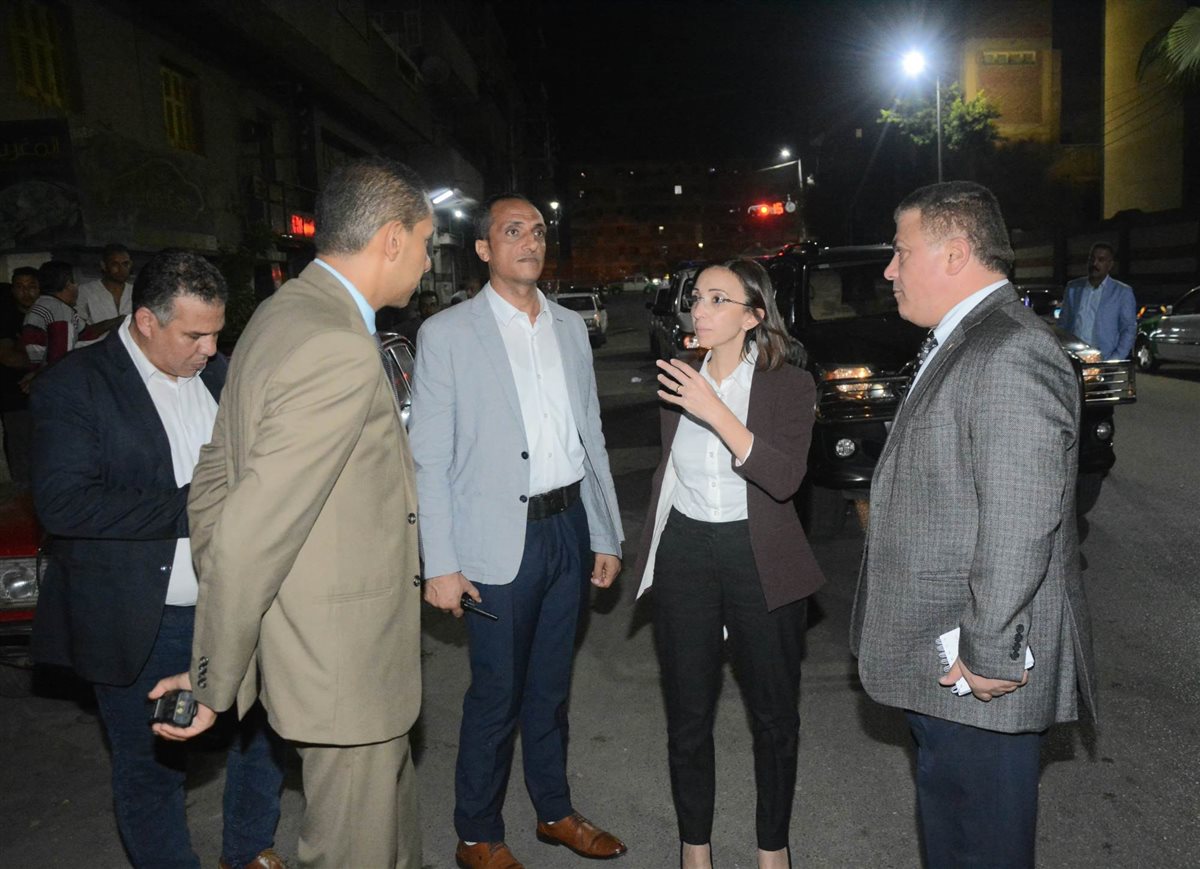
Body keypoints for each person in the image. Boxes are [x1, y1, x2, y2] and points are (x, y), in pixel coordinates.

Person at [150, 157, 432, 869]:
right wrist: (214, 677)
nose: (428, 263)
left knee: (391, 843)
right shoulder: (335, 344)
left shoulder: (281, 314)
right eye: (427, 244)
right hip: (346, 671)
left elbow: (214, 481)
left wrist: (254, 635)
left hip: (317, 654)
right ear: (392, 239)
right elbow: (251, 531)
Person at [850, 181, 1096, 868]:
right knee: (956, 839)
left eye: (901, 252)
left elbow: (1021, 517)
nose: (889, 270)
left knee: (981, 845)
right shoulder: (969, 339)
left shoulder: (1010, 349)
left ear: (955, 253)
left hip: (976, 670)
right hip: (947, 661)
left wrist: (989, 652)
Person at [29, 250, 287, 869]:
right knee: (153, 767)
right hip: (142, 619)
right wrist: (201, 506)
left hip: (236, 605)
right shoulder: (75, 385)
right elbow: (64, 505)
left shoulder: (221, 374)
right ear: (146, 320)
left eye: (217, 333)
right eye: (195, 335)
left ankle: (249, 852)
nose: (210, 348)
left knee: (261, 738)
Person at [410, 193, 626, 869]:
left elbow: (590, 434)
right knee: (496, 694)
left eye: (537, 231)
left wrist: (606, 533)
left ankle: (554, 811)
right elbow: (429, 458)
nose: (530, 242)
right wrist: (439, 562)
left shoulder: (568, 326)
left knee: (552, 688)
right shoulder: (447, 334)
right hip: (496, 541)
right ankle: (477, 832)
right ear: (483, 249)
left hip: (568, 527)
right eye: (513, 231)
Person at [630, 259, 823, 869]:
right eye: (697, 298)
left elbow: (785, 479)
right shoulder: (678, 374)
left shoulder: (790, 385)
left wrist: (715, 410)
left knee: (774, 717)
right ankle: (695, 848)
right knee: (688, 715)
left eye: (718, 299)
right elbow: (668, 468)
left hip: (757, 550)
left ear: (753, 316)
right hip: (686, 550)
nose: (700, 309)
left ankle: (773, 848)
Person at [1059, 242, 1137, 359]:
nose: (1094, 264)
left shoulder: (1122, 292)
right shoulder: (1073, 288)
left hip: (1103, 359)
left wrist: (1115, 359)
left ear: (1110, 265)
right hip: (1073, 359)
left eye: (1101, 260)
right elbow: (1063, 324)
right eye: (1092, 259)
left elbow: (1128, 329)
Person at [0, 268, 40, 483]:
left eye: (31, 286)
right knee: (21, 457)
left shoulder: (50, 316)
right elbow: (8, 357)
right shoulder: (7, 318)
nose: (26, 292)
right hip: (15, 397)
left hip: (48, 396)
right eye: (20, 287)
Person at [21, 260, 90, 366]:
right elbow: (61, 359)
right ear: (68, 284)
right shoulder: (60, 311)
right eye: (75, 282)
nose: (77, 287)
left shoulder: (42, 304)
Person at [77, 242, 135, 337]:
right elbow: (78, 331)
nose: (121, 269)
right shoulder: (85, 291)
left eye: (125, 264)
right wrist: (115, 322)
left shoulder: (137, 292)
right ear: (104, 265)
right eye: (115, 264)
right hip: (94, 345)